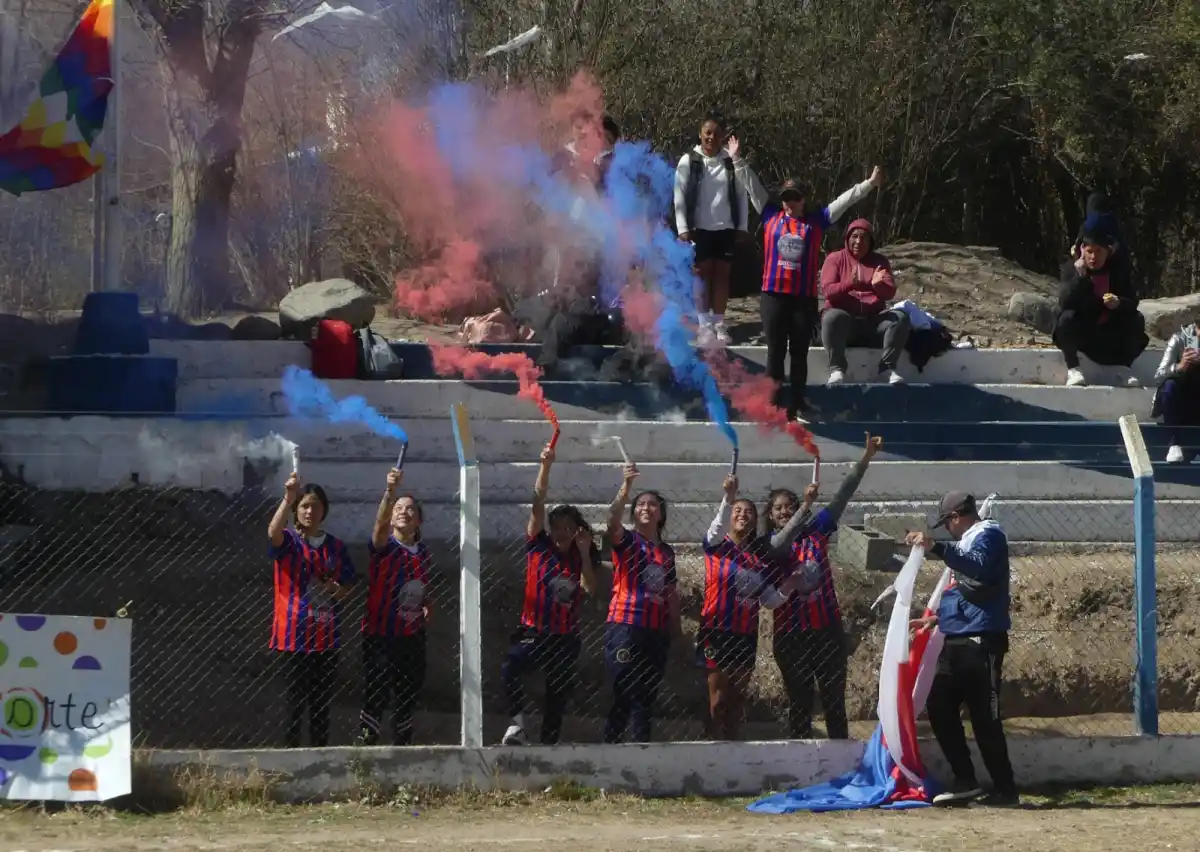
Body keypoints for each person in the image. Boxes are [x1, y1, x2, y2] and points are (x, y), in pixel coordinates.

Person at [728, 135, 882, 420]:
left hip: (803, 298)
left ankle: (797, 404)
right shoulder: (771, 214)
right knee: (775, 352)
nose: (790, 203)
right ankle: (773, 402)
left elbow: (843, 202)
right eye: (786, 198)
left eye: (795, 198)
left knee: (798, 353)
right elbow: (753, 188)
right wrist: (737, 160)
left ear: (803, 199)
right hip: (773, 295)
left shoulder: (816, 220)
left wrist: (868, 185)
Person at [906, 492, 1018, 807]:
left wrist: (937, 547)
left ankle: (1005, 788)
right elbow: (969, 590)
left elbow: (979, 570)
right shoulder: (971, 540)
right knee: (939, 704)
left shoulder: (988, 536)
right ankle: (965, 778)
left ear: (956, 516)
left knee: (985, 717)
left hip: (981, 640)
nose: (948, 531)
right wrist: (938, 620)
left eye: (947, 524)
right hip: (957, 637)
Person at [766, 434, 881, 739]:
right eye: (778, 508)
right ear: (769, 515)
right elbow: (780, 544)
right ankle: (802, 762)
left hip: (826, 630)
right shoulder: (768, 545)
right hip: (791, 635)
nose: (784, 511)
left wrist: (866, 457)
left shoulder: (817, 530)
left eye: (789, 506)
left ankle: (841, 761)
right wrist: (805, 505)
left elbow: (844, 494)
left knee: (834, 701)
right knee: (801, 702)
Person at [698, 472, 810, 740]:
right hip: (717, 631)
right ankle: (710, 747)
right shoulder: (716, 545)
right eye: (738, 511)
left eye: (749, 512)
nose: (743, 515)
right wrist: (729, 498)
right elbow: (716, 526)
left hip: (746, 634)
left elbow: (769, 601)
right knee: (717, 698)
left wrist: (790, 584)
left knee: (737, 699)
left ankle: (734, 746)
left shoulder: (758, 559)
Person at [501, 442, 598, 745]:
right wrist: (545, 466)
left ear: (577, 530)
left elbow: (590, 588)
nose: (560, 533)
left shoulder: (582, 555)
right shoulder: (538, 546)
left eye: (568, 528)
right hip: (534, 631)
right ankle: (516, 725)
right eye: (556, 527)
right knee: (511, 667)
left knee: (557, 691)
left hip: (565, 636)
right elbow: (537, 504)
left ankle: (548, 746)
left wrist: (583, 553)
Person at [267, 473, 356, 748]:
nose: (309, 511)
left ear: (324, 510)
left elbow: (347, 587)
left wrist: (333, 589)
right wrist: (288, 497)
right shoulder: (289, 542)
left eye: (315, 505)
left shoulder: (336, 547)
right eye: (304, 505)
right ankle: (291, 758)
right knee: (294, 703)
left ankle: (319, 756)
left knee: (321, 705)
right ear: (297, 510)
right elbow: (273, 533)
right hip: (293, 636)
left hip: (325, 638)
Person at [602, 463, 680, 743]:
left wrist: (675, 628)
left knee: (647, 696)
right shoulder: (628, 541)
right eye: (641, 504)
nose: (646, 508)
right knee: (622, 691)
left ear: (661, 515)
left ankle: (641, 752)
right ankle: (610, 751)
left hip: (655, 632)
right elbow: (611, 522)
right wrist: (626, 487)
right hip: (625, 626)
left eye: (653, 505)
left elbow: (670, 592)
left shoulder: (667, 553)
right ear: (634, 512)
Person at [358, 467, 432, 746]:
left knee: (407, 693)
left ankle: (402, 746)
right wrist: (390, 491)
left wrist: (426, 603)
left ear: (419, 521)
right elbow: (378, 528)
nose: (403, 511)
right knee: (376, 691)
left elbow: (420, 586)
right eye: (398, 508)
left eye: (410, 509)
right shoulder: (385, 547)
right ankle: (366, 746)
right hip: (380, 635)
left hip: (412, 636)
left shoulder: (423, 553)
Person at [673, 112, 749, 346]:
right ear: (700, 134)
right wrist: (682, 227)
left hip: (725, 227)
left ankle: (719, 323)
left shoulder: (729, 161)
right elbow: (679, 195)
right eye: (707, 133)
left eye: (716, 134)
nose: (711, 137)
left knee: (722, 275)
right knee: (702, 276)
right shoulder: (689, 161)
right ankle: (703, 324)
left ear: (722, 137)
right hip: (699, 229)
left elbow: (741, 194)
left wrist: (742, 226)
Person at [1054, 224, 1148, 387]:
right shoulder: (1072, 269)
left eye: (1099, 252)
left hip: (1108, 335)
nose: (1093, 257)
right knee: (1066, 318)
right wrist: (1080, 278)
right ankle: (1074, 369)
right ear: (1082, 250)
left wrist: (1119, 303)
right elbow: (1064, 302)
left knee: (1136, 320)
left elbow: (1133, 302)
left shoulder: (1117, 271)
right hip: (1083, 333)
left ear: (1108, 252)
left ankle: (1124, 368)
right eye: (1090, 251)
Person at [819, 219, 910, 385]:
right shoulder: (835, 259)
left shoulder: (880, 262)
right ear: (847, 239)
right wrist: (850, 284)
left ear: (871, 241)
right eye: (854, 236)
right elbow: (828, 291)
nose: (858, 241)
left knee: (900, 317)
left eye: (864, 237)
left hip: (872, 323)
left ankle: (887, 369)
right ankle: (837, 369)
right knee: (831, 317)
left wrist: (877, 286)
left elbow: (889, 292)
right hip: (845, 325)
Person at [1152, 321, 1200, 463]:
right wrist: (1180, 366)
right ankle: (1175, 443)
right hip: (1181, 401)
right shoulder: (1179, 339)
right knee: (1170, 385)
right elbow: (1158, 377)